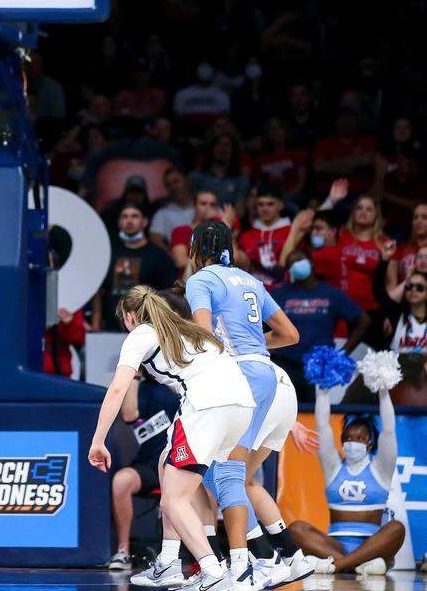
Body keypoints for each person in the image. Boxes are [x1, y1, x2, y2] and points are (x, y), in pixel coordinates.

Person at [89, 284, 255, 591]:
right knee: (170, 462)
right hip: (241, 409)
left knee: (173, 500)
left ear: (129, 316)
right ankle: (168, 562)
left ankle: (212, 569)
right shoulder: (191, 331)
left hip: (208, 408)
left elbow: (117, 389)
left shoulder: (141, 334)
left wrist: (98, 440)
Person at [185, 219, 311, 587]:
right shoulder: (251, 281)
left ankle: (258, 560)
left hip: (238, 374)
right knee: (225, 473)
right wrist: (253, 348)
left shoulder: (202, 280)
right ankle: (274, 556)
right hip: (266, 372)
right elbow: (290, 334)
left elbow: (205, 335)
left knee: (224, 473)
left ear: (195, 249)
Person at [290, 388, 405, 575]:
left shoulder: (381, 468)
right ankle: (357, 565)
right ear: (342, 440)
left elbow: (389, 431)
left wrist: (384, 391)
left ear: (370, 443)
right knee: (296, 528)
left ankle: (337, 566)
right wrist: (323, 391)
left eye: (360, 438)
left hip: (372, 544)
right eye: (348, 438)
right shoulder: (334, 466)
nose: (353, 443)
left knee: (397, 528)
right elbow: (322, 426)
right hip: (334, 546)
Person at [270, 249, 370, 401]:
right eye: (291, 263)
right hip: (286, 364)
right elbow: (260, 322)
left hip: (319, 366)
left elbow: (363, 320)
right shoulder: (280, 295)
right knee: (287, 410)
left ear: (311, 262)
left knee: (318, 412)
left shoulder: (331, 294)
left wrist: (344, 352)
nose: (296, 265)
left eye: (299, 260)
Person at [106, 368, 180, 570]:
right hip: (148, 464)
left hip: (180, 463)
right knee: (121, 481)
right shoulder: (140, 387)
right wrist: (134, 374)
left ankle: (204, 555)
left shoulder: (180, 381)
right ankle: (123, 552)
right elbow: (130, 415)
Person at [92, 203, 178, 331]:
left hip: (148, 327)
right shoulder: (108, 253)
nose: (129, 220)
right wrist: (95, 324)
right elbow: (98, 292)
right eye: (124, 216)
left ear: (145, 222)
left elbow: (168, 295)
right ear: (119, 222)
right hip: (111, 326)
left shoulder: (159, 256)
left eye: (135, 216)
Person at [236, 183, 292, 291]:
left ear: (280, 205)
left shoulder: (292, 232)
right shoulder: (246, 236)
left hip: (286, 293)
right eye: (260, 204)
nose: (265, 209)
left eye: (270, 204)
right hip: (253, 295)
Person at [149, 168, 195, 248]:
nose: (173, 187)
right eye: (168, 185)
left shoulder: (203, 206)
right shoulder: (162, 214)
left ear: (186, 181)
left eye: (176, 181)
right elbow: (155, 240)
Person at [390, 270, 427, 356]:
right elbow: (386, 300)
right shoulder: (396, 316)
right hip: (398, 366)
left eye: (420, 287)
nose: (413, 290)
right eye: (409, 286)